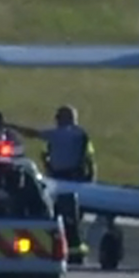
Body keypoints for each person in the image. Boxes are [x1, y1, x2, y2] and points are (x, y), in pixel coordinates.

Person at [7, 105, 95, 262]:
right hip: (78, 180)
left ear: (65, 118)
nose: (56, 120)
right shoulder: (82, 135)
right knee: (75, 216)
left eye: (58, 116)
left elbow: (33, 133)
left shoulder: (62, 134)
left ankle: (69, 248)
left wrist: (11, 126)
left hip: (63, 179)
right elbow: (89, 159)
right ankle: (76, 248)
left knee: (61, 214)